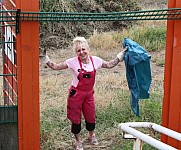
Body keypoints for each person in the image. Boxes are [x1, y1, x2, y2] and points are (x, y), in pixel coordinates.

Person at [40, 37, 127, 150]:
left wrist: (121, 55)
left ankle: (91, 135)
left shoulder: (95, 60)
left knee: (91, 117)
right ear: (76, 52)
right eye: (78, 50)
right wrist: (45, 58)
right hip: (76, 95)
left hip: (88, 94)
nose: (81, 52)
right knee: (75, 120)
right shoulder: (72, 62)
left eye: (83, 49)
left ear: (88, 49)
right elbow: (55, 66)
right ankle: (78, 141)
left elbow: (110, 64)